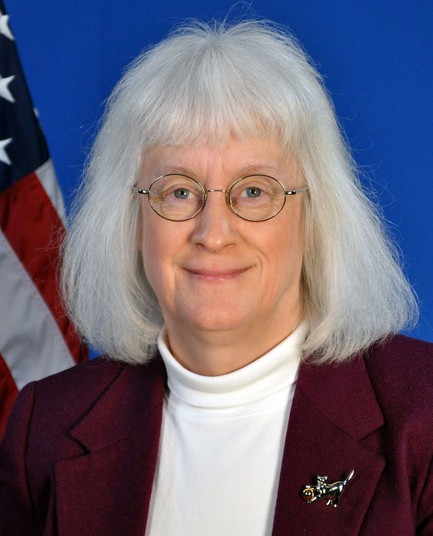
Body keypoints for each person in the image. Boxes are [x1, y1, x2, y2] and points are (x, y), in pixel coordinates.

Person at [1, 19, 432, 536]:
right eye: (179, 192)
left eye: (254, 190)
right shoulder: (46, 427)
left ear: (315, 217)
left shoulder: (421, 412)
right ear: (132, 222)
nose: (213, 233)